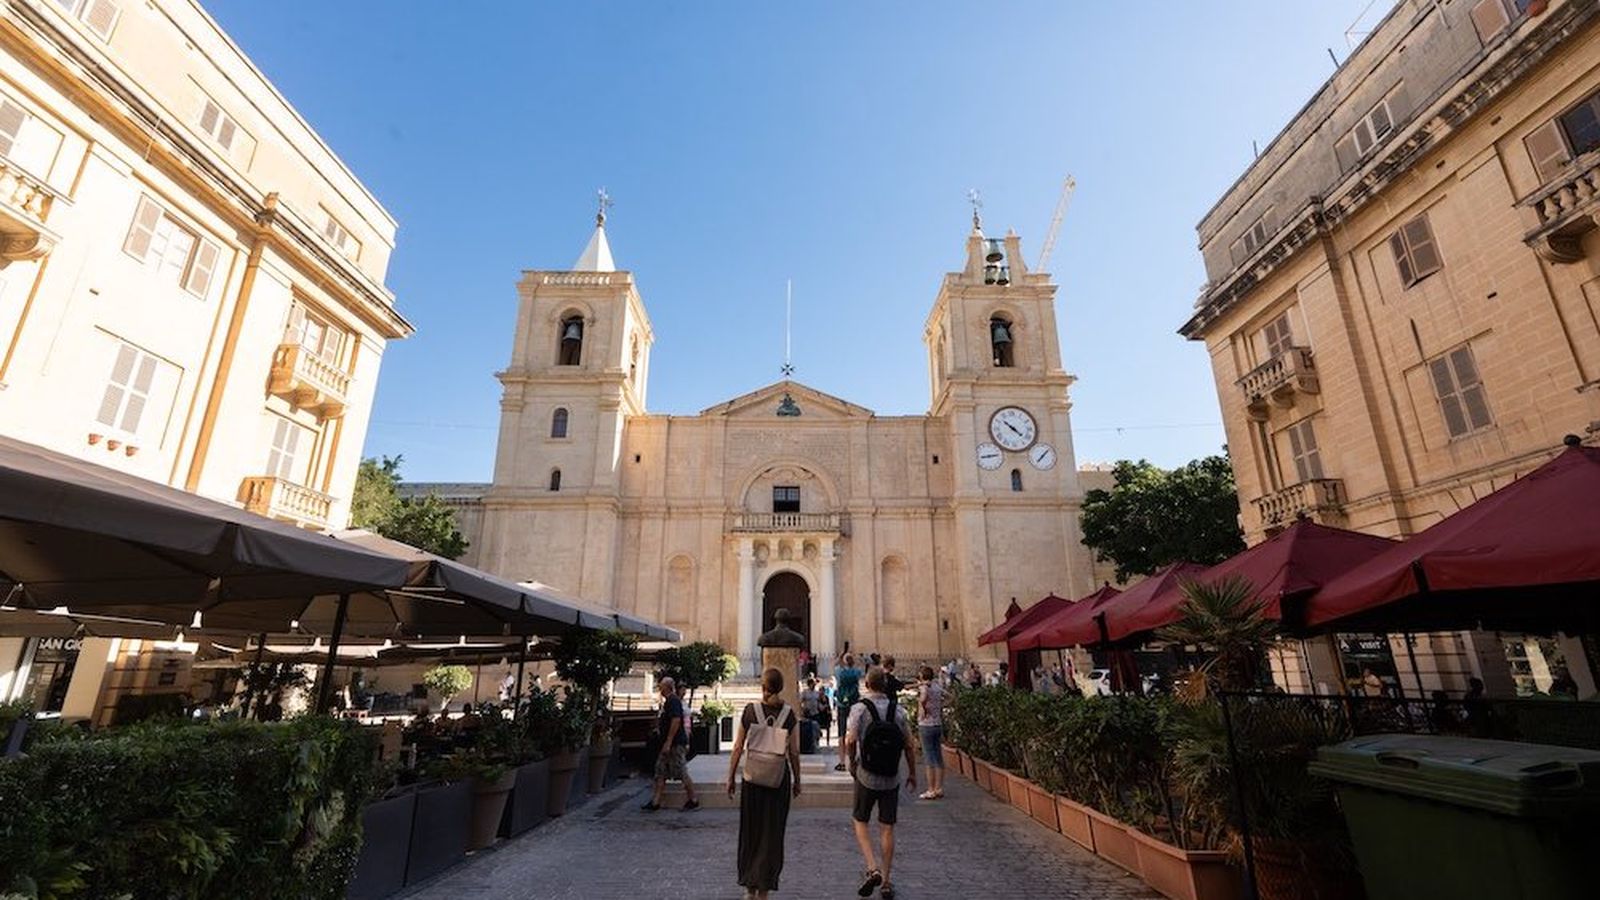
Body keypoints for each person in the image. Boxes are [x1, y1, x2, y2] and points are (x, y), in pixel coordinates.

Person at [727, 668, 802, 900]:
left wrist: (730, 776)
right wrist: (798, 780)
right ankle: (764, 890)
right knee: (772, 834)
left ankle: (749, 887)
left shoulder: (750, 711)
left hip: (753, 779)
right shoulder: (789, 715)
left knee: (750, 831)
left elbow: (738, 747)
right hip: (777, 780)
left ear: (763, 687)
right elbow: (794, 752)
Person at [846, 667, 916, 899]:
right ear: (885, 685)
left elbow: (851, 738)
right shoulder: (899, 711)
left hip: (866, 775)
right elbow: (908, 745)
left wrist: (851, 763)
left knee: (860, 820)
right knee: (887, 828)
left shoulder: (859, 709)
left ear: (867, 685)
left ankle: (871, 866)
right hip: (891, 776)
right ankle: (886, 881)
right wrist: (913, 773)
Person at [643, 676, 699, 811]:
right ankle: (655, 801)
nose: (659, 688)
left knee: (681, 771)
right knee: (660, 771)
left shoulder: (672, 701)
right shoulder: (669, 701)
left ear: (666, 687)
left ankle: (693, 799)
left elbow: (676, 721)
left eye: (661, 686)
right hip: (668, 744)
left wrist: (668, 741)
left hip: (674, 744)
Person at [915, 665, 945, 800]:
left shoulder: (924, 688)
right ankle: (939, 788)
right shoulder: (937, 687)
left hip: (926, 724)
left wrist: (922, 706)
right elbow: (951, 696)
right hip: (937, 723)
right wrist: (939, 707)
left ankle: (931, 789)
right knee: (938, 757)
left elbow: (923, 698)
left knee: (929, 758)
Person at [833, 652, 863, 772]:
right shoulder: (856, 672)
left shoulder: (839, 672)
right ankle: (853, 759)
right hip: (854, 703)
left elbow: (834, 665)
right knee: (854, 731)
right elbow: (861, 672)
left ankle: (842, 762)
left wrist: (839, 657)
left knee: (841, 733)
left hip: (842, 704)